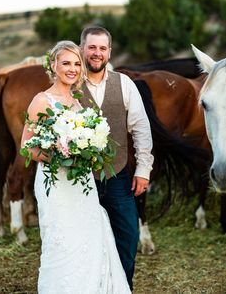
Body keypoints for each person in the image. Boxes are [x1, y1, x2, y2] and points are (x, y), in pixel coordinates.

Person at [21, 41, 131, 294]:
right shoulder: (41, 100)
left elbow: (86, 142)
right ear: (53, 65)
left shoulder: (78, 102)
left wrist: (89, 154)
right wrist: (59, 156)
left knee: (88, 237)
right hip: (56, 184)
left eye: (77, 64)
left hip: (82, 183)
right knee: (62, 243)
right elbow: (26, 147)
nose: (73, 69)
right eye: (66, 63)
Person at [79, 26, 154, 291]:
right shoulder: (70, 85)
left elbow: (141, 128)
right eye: (92, 47)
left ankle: (122, 288)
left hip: (119, 175)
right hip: (79, 180)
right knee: (84, 241)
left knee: (128, 236)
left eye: (102, 48)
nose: (96, 53)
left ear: (109, 52)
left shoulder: (124, 84)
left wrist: (143, 169)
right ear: (82, 49)